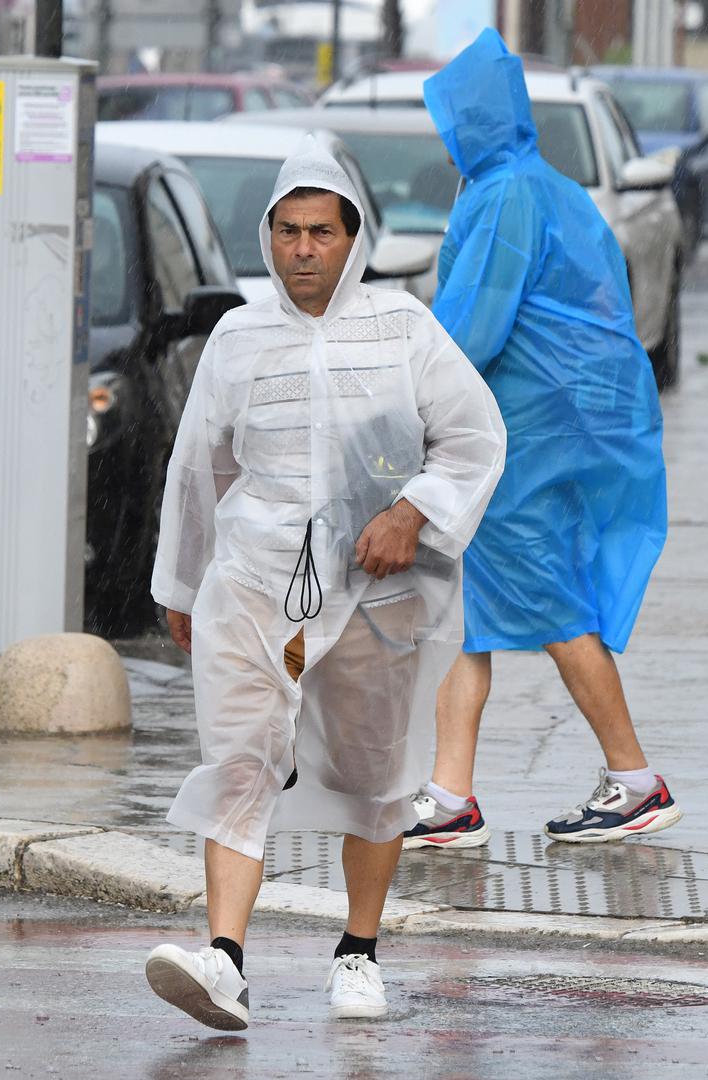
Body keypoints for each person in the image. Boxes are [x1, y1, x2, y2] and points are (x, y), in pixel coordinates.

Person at [144, 135, 506, 1029]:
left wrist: (409, 514)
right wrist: (183, 585)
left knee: (374, 773)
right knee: (238, 760)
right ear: (268, 239)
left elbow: (474, 437)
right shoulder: (236, 337)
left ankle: (358, 951)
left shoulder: (403, 330)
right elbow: (199, 469)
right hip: (253, 585)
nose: (303, 250)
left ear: (354, 239)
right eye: (288, 232)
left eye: (322, 232)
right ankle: (224, 958)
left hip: (375, 595)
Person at [402, 29, 680, 849]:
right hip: (547, 430)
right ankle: (451, 794)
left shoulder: (501, 196)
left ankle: (634, 779)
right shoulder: (544, 185)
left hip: (518, 440)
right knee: (466, 613)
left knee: (554, 609)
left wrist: (402, 384)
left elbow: (470, 325)